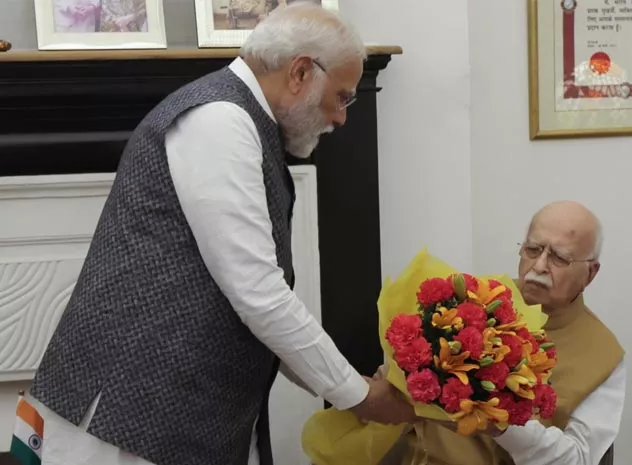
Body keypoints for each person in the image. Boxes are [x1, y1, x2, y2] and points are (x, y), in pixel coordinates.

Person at [28, 3, 414, 465]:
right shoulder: (221, 120)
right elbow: (259, 294)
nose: (341, 117)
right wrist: (360, 395)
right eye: (342, 96)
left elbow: (256, 300)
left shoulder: (244, 121)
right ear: (300, 72)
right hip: (126, 418)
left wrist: (351, 388)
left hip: (170, 418)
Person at [380, 200, 626, 465]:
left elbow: (576, 460)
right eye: (533, 249)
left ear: (590, 273)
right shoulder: (470, 299)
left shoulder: (604, 355)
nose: (540, 266)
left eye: (559, 258)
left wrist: (501, 421)